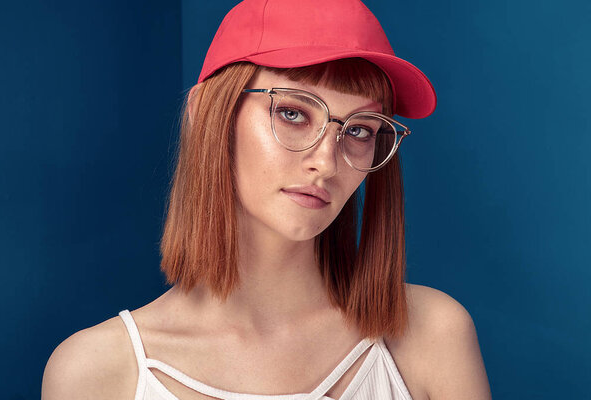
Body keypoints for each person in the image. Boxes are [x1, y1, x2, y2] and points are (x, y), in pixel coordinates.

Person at [42, 0, 492, 399]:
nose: (326, 162)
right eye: (292, 112)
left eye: (358, 130)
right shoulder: (96, 373)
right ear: (207, 115)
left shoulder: (432, 334)